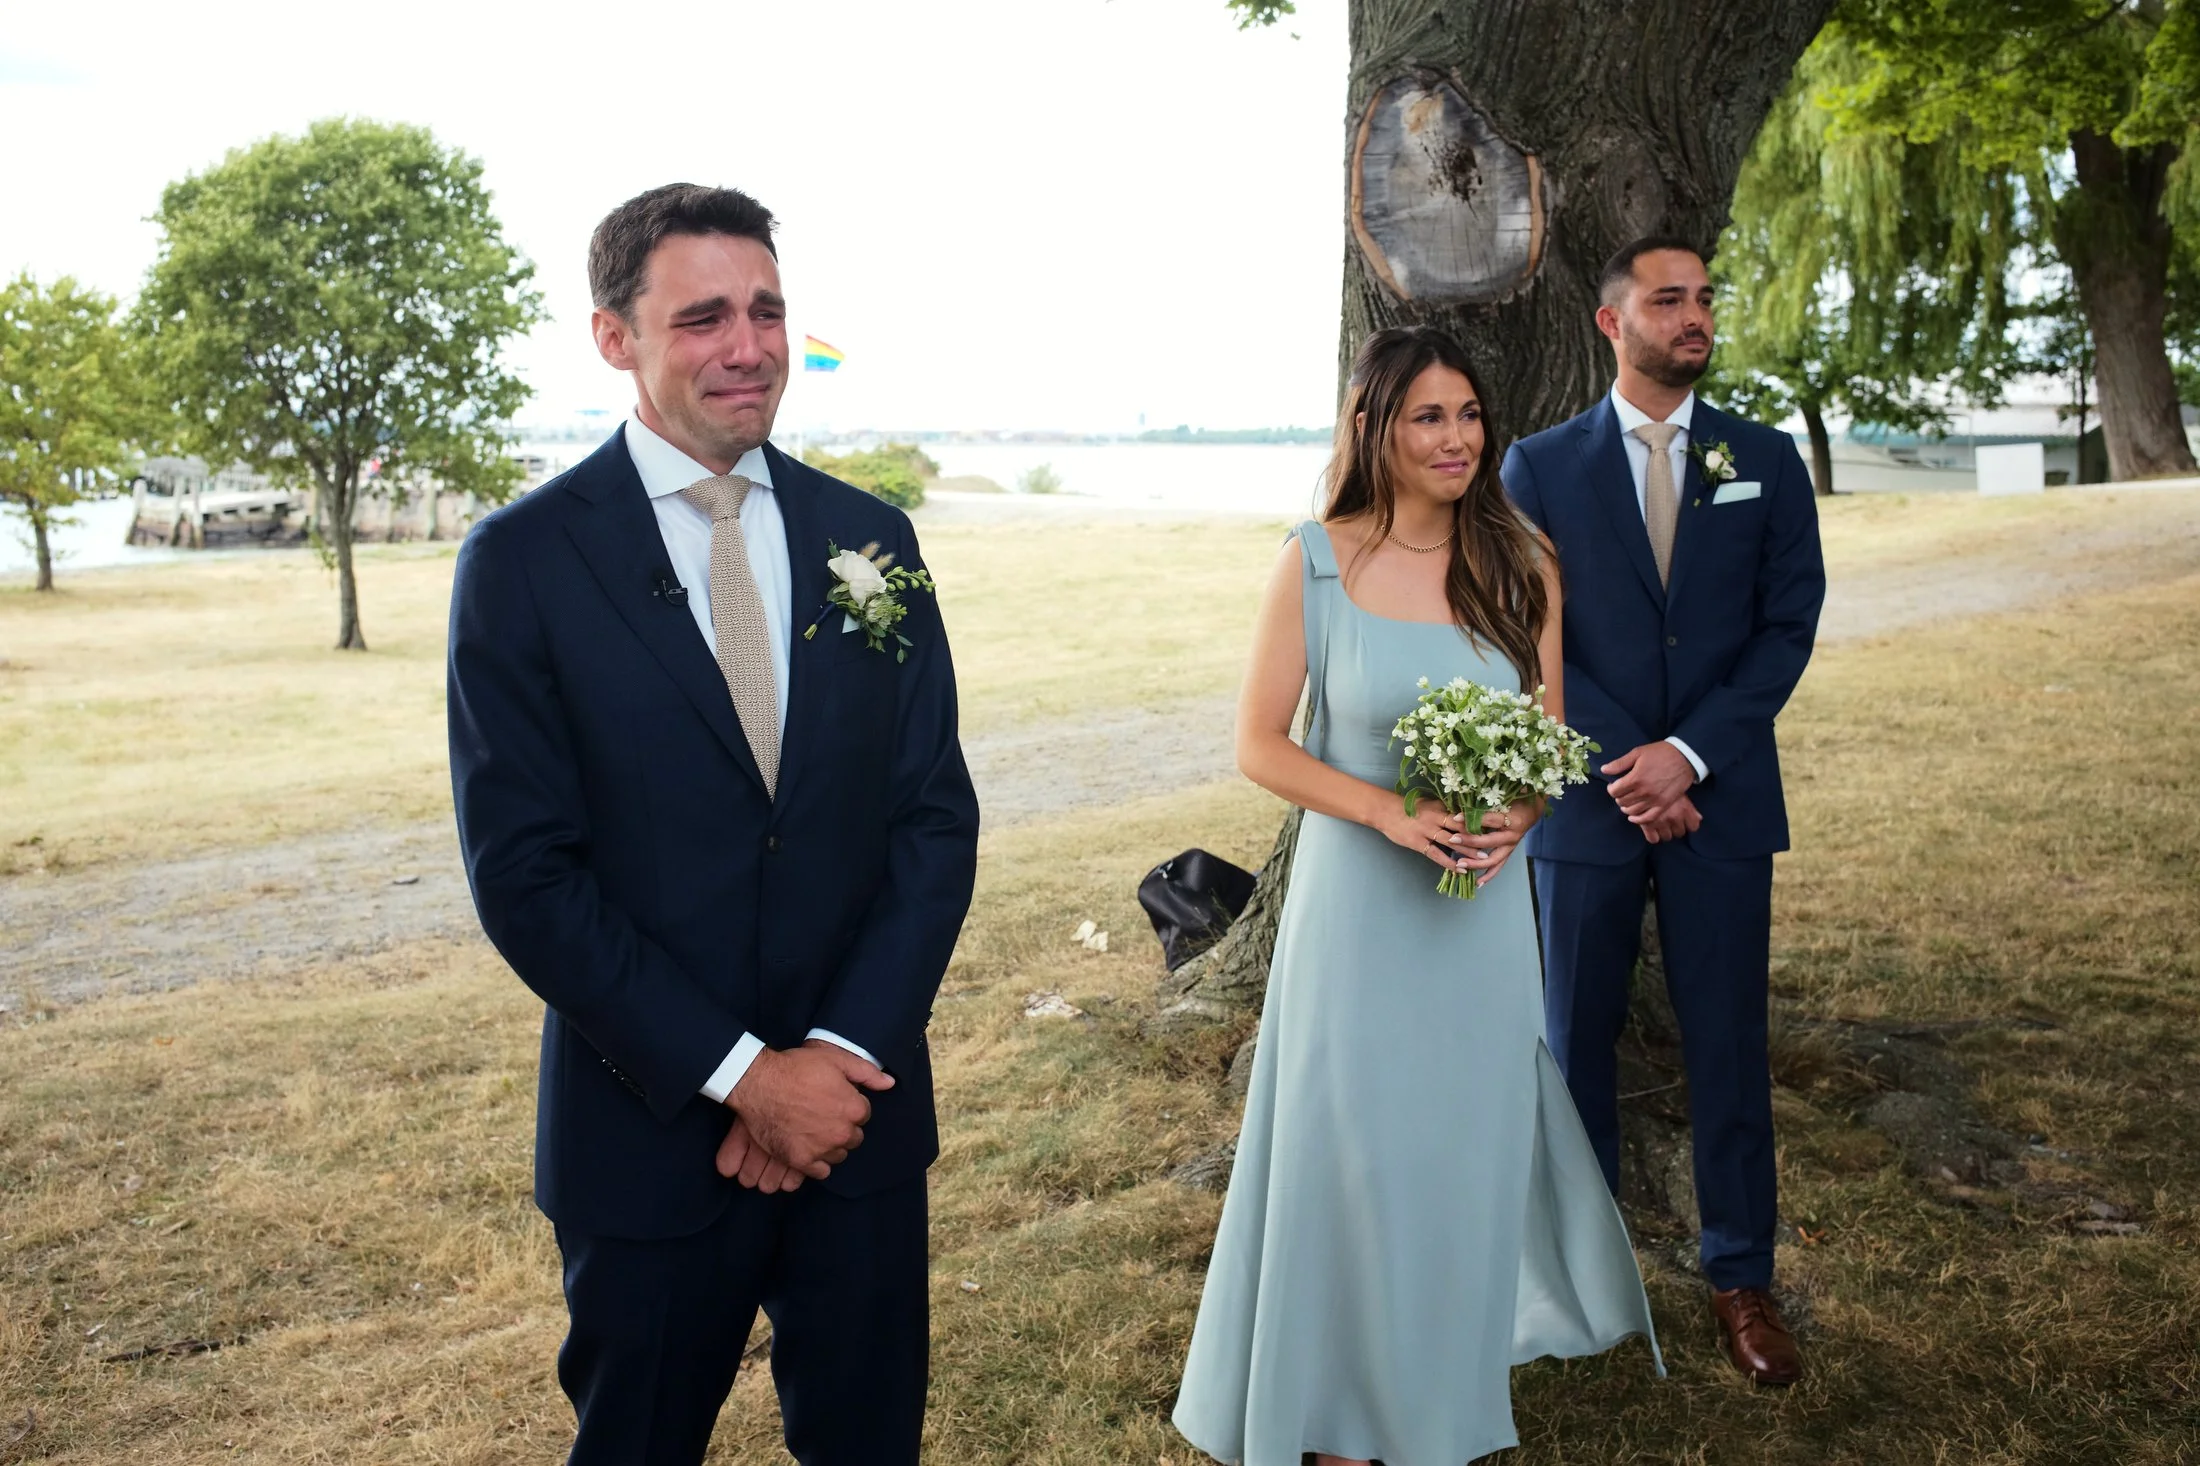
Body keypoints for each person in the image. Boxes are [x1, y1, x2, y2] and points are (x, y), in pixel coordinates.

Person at [446, 183, 978, 1465]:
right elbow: (527, 876)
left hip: (857, 1120)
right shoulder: (521, 561)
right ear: (614, 338)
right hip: (649, 1133)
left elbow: (931, 820)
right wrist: (746, 1077)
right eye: (702, 318)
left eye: (767, 310)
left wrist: (834, 1059)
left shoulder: (870, 535)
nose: (748, 346)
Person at [1174, 325, 1660, 1466]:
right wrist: (1385, 810)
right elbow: (1258, 744)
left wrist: (1522, 815)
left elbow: (1545, 744)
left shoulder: (1522, 558)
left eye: (1468, 415)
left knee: (1454, 1156)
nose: (1454, 438)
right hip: (1355, 912)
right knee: (1350, 1159)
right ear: (1373, 431)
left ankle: (1433, 1399)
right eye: (1424, 417)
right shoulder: (1314, 559)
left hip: (1480, 920)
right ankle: (1332, 1419)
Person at [1501, 236, 1826, 1386]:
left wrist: (1687, 756)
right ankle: (1587, 1279)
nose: (1693, 316)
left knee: (1728, 1047)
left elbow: (1786, 627)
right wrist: (1626, 768)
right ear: (1611, 322)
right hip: (1585, 813)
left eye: (1702, 298)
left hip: (1724, 801)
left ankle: (1742, 1277)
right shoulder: (1535, 467)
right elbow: (1520, 631)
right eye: (1667, 299)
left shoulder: (1764, 459)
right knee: (1571, 1041)